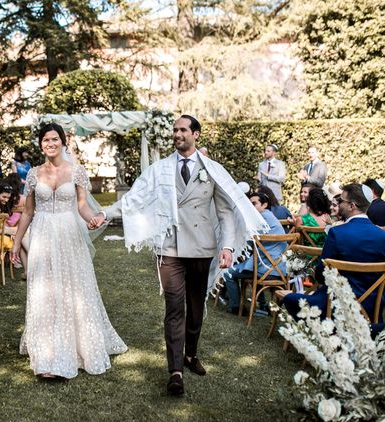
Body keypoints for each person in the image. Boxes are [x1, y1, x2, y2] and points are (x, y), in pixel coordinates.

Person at [94, 114, 266, 396]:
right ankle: (175, 371)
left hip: (201, 248)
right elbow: (134, 197)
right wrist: (105, 213)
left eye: (183, 130)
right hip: (170, 248)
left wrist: (228, 247)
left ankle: (190, 354)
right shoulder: (159, 170)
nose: (177, 134)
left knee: (195, 308)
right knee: (175, 307)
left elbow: (225, 212)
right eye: (175, 130)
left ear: (196, 134)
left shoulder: (211, 170)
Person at [11, 122, 127, 380]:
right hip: (41, 235)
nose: (50, 144)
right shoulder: (33, 174)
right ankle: (47, 355)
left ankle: (77, 348)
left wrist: (94, 218)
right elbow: (28, 212)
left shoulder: (77, 171)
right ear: (41, 144)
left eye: (54, 139)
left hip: (68, 235)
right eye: (45, 140)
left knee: (73, 289)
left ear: (63, 142)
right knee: (44, 291)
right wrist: (17, 242)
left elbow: (82, 206)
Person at [279, 184, 385, 321]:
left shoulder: (337, 233)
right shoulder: (382, 236)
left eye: (341, 201)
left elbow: (321, 275)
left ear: (352, 206)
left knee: (292, 299)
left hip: (336, 307)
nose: (338, 204)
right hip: (372, 306)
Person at [224, 192, 287, 314]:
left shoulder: (261, 218)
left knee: (228, 272)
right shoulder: (270, 217)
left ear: (264, 205)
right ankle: (262, 305)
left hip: (266, 268)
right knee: (248, 267)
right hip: (278, 268)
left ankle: (236, 308)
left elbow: (247, 242)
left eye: (254, 204)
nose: (251, 207)